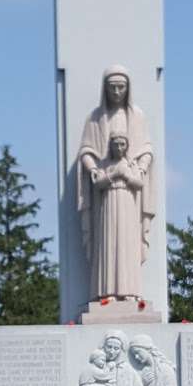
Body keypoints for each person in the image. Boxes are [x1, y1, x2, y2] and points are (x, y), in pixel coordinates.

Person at [77, 67, 154, 304]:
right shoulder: (95, 118)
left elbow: (147, 149)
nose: (117, 92)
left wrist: (139, 168)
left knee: (128, 244)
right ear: (105, 89)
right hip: (105, 196)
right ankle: (105, 292)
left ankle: (130, 290)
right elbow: (86, 150)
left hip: (130, 197)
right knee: (107, 245)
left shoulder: (137, 116)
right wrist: (95, 170)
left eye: (122, 87)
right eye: (113, 87)